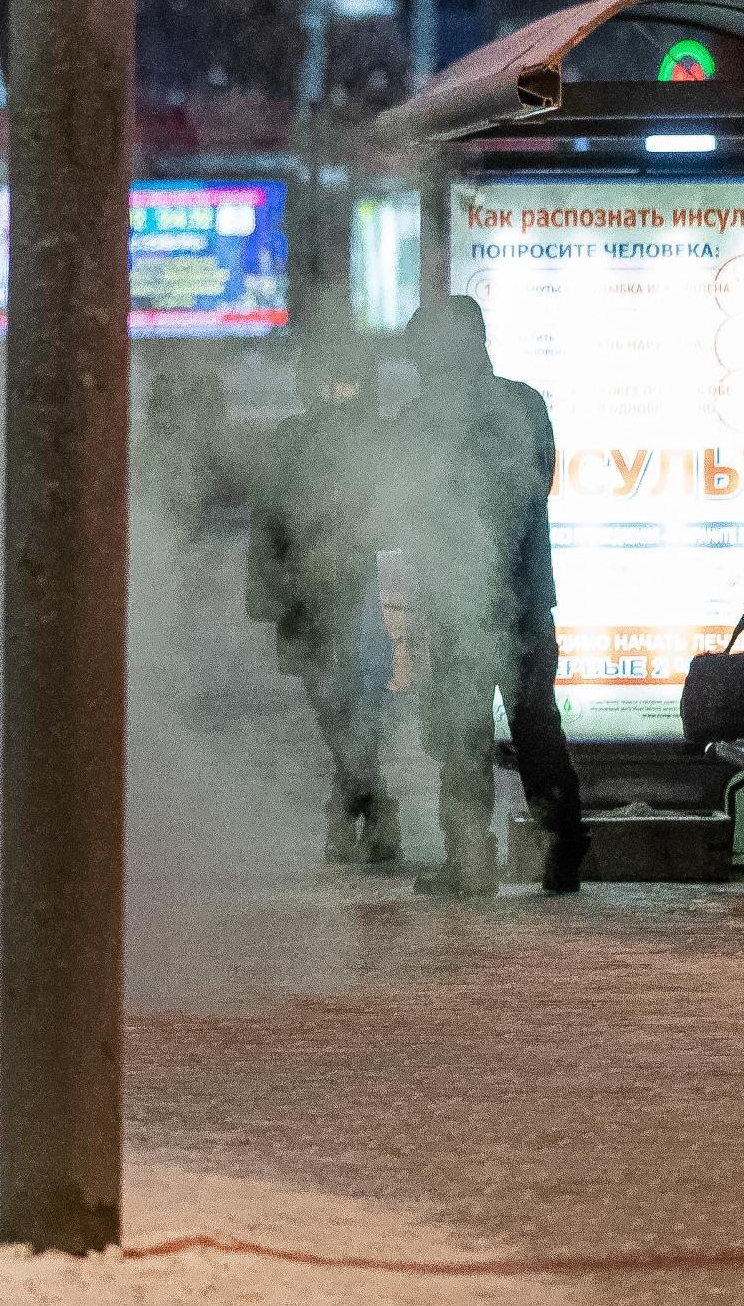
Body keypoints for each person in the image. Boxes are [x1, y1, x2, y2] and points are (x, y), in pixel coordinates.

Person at [394, 295, 588, 895]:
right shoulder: (524, 404)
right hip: (527, 595)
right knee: (536, 724)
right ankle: (562, 849)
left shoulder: (422, 418)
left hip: (459, 601)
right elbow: (540, 485)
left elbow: (402, 505)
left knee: (461, 729)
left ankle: (470, 860)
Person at [248, 341, 403, 866]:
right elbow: (267, 521)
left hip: (347, 590)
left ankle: (360, 812)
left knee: (352, 703)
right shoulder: (292, 438)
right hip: (306, 595)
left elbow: (387, 513)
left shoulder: (364, 440)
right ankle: (368, 807)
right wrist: (266, 588)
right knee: (338, 708)